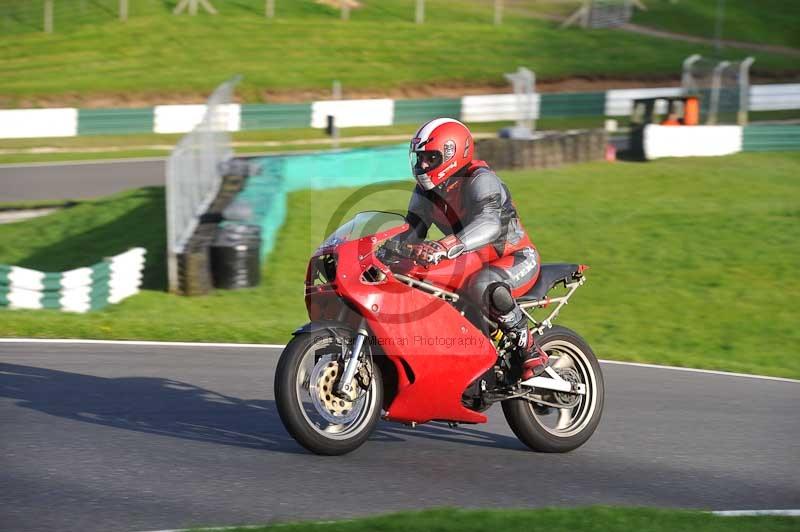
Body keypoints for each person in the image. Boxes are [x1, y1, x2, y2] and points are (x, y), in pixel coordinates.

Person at [397, 118, 548, 379]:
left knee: (484, 285)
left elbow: (488, 223)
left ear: (451, 155)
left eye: (429, 158)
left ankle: (529, 348)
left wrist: (447, 245)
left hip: (514, 257)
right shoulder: (425, 193)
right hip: (468, 261)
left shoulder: (480, 179)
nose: (422, 165)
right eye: (419, 158)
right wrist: (386, 248)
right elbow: (409, 232)